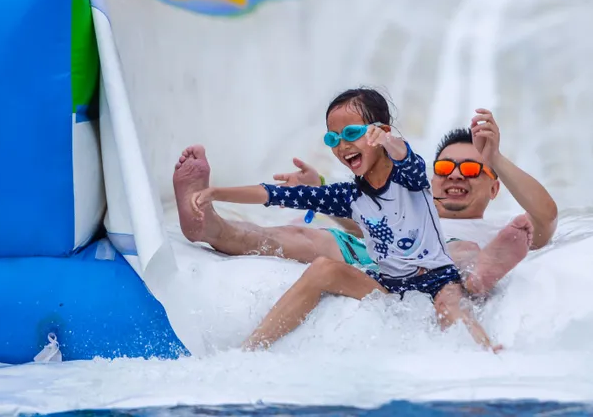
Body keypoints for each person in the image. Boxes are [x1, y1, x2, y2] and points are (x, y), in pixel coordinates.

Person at [181, 88, 500, 351]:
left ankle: (488, 356)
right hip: (389, 280)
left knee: (450, 297)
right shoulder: (349, 195)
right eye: (333, 139)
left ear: (380, 132)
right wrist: (216, 192)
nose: (343, 145)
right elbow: (273, 194)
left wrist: (388, 142)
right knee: (322, 268)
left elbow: (407, 159)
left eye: (351, 133)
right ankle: (250, 350)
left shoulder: (411, 178)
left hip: (435, 276)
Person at [173, 109, 557, 297]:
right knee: (306, 235)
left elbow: (546, 218)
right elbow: (373, 231)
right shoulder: (407, 197)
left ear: (493, 188)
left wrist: (497, 159)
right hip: (376, 256)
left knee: (463, 248)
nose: (456, 175)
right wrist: (321, 194)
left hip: (440, 261)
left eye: (472, 168)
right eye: (445, 166)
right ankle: (210, 226)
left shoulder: (502, 229)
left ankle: (475, 275)